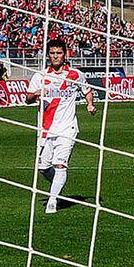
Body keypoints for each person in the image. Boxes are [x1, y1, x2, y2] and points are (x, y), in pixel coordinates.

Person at [26, 39, 97, 214]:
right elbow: (27, 99)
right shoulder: (40, 76)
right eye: (52, 53)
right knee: (43, 168)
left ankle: (52, 200)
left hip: (67, 128)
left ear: (65, 54)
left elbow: (87, 90)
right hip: (45, 129)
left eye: (58, 53)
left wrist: (90, 104)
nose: (55, 56)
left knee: (60, 165)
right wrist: (35, 94)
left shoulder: (75, 74)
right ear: (48, 55)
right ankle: (58, 186)